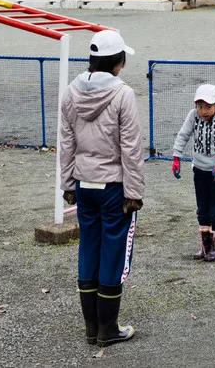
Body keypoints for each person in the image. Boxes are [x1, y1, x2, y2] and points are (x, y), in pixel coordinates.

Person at [59, 30, 143, 347]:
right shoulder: (123, 95)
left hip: (84, 184)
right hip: (113, 186)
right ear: (118, 62)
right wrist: (134, 193)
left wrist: (68, 184)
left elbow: (66, 143)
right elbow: (131, 149)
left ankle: (91, 327)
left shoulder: (70, 93)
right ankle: (108, 328)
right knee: (113, 251)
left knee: (88, 247)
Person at [171, 84, 215, 261]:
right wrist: (176, 156)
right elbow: (183, 135)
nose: (204, 111)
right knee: (202, 207)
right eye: (200, 106)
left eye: (208, 106)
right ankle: (205, 247)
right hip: (199, 169)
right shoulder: (193, 116)